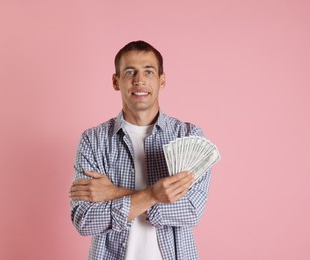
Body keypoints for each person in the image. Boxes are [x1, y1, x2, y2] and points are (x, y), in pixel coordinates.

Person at [69, 40, 218, 260]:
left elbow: (190, 211)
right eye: (130, 72)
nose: (139, 80)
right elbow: (85, 220)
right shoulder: (93, 140)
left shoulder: (188, 135)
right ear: (116, 81)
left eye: (148, 71)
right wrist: (155, 196)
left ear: (161, 80)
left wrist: (113, 193)